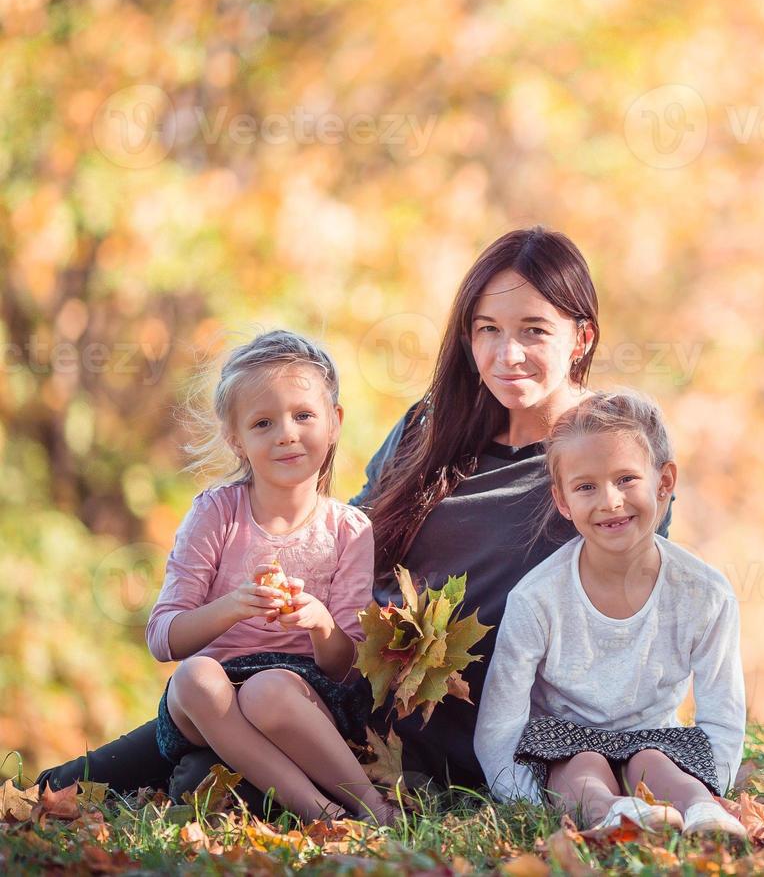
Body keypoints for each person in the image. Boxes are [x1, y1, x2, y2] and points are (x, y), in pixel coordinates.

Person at [33, 227, 673, 804]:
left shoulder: (611, 458)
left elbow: (627, 607)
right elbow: (345, 555)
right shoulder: (433, 427)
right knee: (202, 709)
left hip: (469, 724)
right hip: (343, 688)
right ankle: (47, 789)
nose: (507, 355)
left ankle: (176, 780)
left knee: (203, 774)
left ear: (581, 335)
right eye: (487, 330)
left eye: (534, 330)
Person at [142, 329, 393, 823]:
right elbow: (162, 639)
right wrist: (234, 605)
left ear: (335, 422)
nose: (286, 433)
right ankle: (320, 811)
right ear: (236, 439)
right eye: (263, 422)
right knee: (195, 676)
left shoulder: (348, 529)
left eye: (303, 415)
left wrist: (320, 623)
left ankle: (373, 807)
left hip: (302, 700)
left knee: (267, 691)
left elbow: (346, 670)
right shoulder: (216, 513)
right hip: (209, 705)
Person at [474, 390, 747, 838]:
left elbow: (723, 716)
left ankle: (702, 812)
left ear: (663, 482)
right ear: (562, 501)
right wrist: (530, 800)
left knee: (654, 762)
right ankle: (611, 812)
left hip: (656, 742)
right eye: (586, 486)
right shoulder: (538, 599)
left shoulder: (705, 594)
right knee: (580, 767)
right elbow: (499, 727)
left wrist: (713, 784)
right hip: (566, 744)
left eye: (626, 479)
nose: (610, 501)